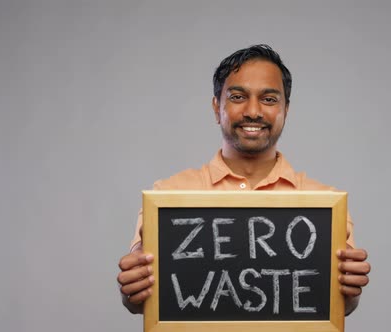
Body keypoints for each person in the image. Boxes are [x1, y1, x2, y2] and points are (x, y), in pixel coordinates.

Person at [117, 44, 371, 316]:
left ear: (286, 109)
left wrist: (351, 290)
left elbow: (340, 303)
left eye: (269, 99)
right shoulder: (167, 196)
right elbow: (138, 297)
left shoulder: (326, 205)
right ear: (217, 108)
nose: (253, 111)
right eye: (238, 97)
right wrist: (134, 286)